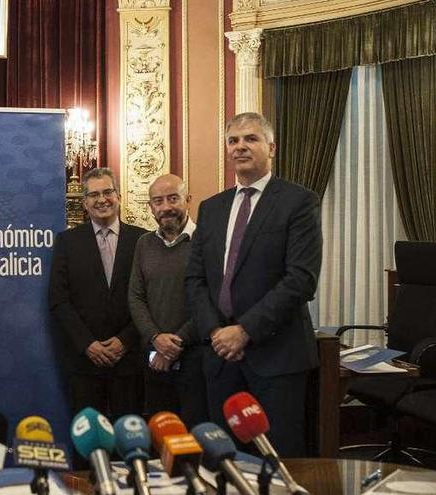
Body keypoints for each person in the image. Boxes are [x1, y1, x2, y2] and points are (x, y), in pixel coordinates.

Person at [184, 112, 322, 457]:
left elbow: (301, 279)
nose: (240, 147)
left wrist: (244, 331)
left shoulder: (299, 202)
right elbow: (195, 279)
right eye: (233, 140)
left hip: (276, 357)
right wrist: (216, 332)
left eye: (251, 139)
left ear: (271, 147)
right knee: (226, 463)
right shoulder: (211, 208)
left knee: (278, 463)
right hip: (220, 358)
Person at [48, 167, 147, 419]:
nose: (101, 199)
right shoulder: (67, 242)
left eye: (107, 192)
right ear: (84, 202)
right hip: (84, 363)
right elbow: (59, 300)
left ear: (119, 196)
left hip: (129, 361)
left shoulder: (143, 240)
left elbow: (149, 299)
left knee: (129, 440)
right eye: (93, 195)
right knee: (87, 442)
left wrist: (124, 341)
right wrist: (88, 345)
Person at [128, 174, 207, 425]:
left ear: (188, 200)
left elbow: (211, 299)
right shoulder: (144, 244)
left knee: (196, 435)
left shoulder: (206, 241)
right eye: (158, 201)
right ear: (151, 207)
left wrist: (175, 343)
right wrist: (155, 338)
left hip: (196, 358)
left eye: (173, 198)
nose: (166, 207)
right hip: (154, 359)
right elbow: (136, 296)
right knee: (160, 435)